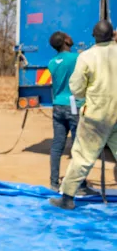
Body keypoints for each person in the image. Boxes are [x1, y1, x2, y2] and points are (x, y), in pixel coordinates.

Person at [50, 20, 117, 210]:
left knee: (82, 156)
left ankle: (67, 198)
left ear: (94, 36)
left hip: (96, 115)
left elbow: (77, 88)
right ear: (112, 34)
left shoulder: (86, 57)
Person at [47, 32, 93, 194]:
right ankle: (79, 186)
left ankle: (54, 183)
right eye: (69, 36)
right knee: (78, 148)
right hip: (74, 105)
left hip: (58, 106)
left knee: (57, 146)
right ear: (66, 41)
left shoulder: (52, 62)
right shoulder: (76, 59)